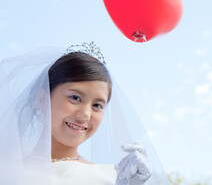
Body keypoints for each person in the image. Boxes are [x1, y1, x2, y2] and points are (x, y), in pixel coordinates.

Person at [0, 43, 169, 185]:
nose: (85, 115)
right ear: (43, 100)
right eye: (75, 98)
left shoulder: (112, 178)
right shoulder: (7, 172)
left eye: (97, 105)